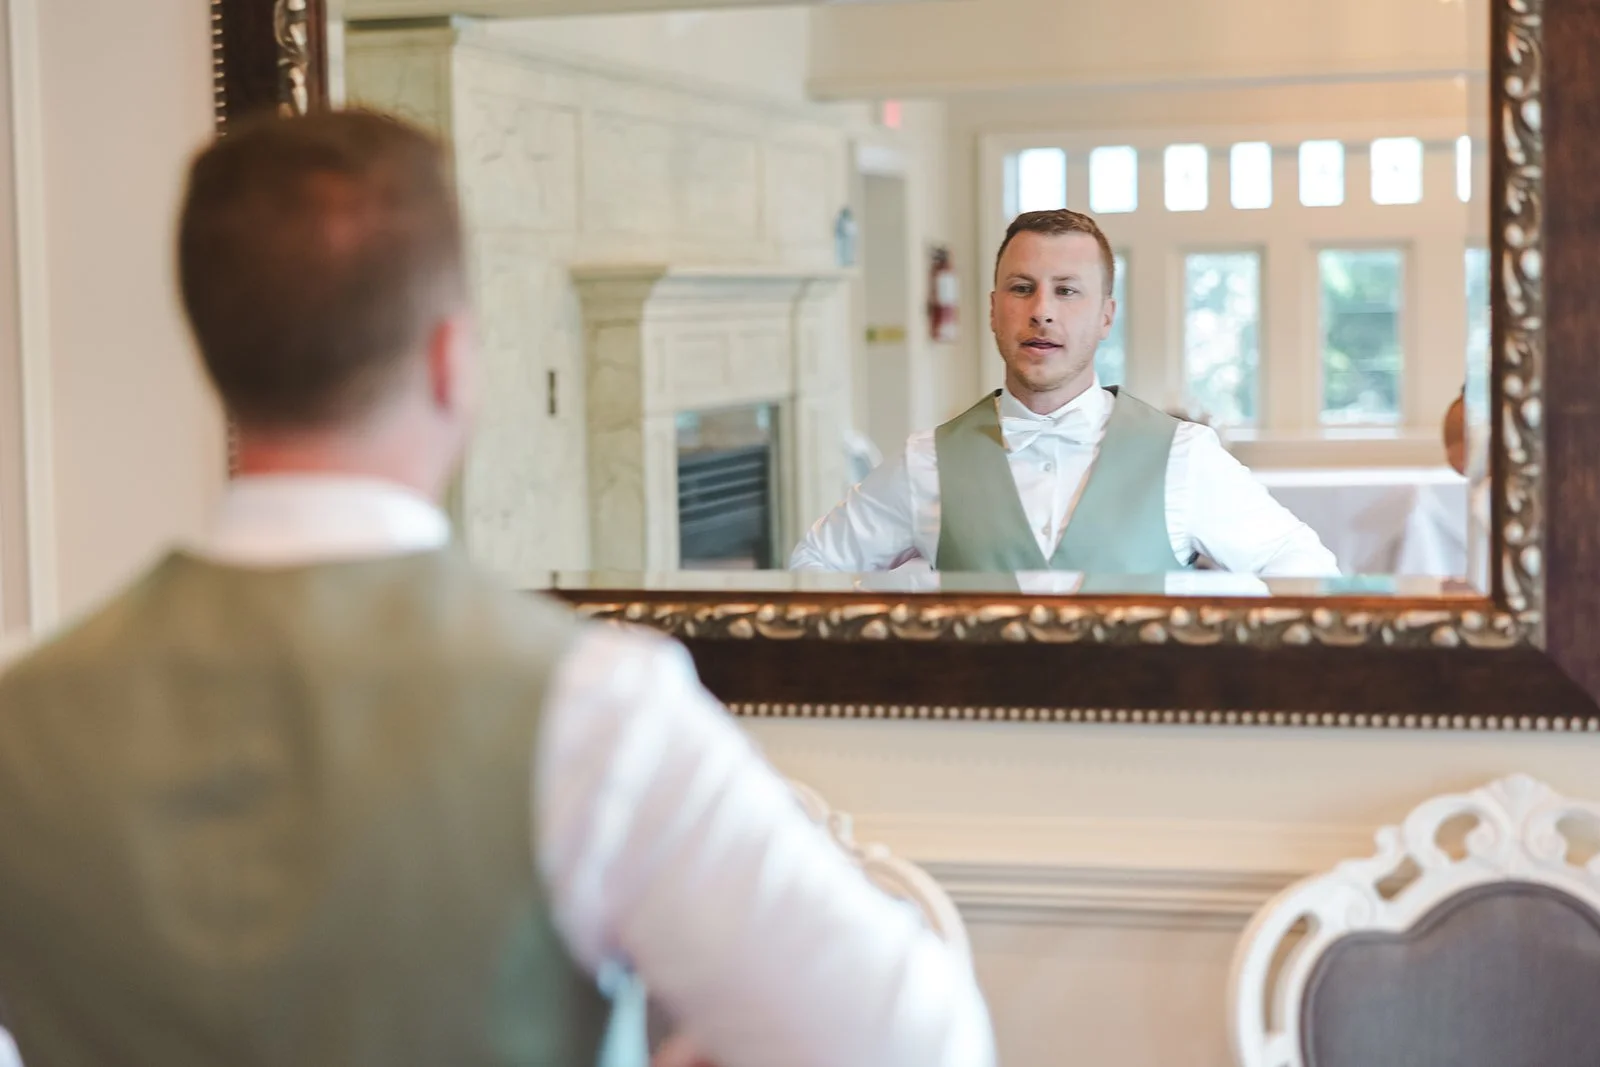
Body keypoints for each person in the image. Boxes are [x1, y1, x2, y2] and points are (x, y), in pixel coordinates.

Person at [0, 110, 993, 1067]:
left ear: (215, 354)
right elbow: (918, 1043)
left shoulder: (22, 712)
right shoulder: (595, 708)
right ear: (451, 360)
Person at [791, 209, 1338, 577]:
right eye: (1022, 288)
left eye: (1067, 291)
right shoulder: (926, 461)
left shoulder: (1183, 455)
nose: (1042, 310)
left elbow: (1306, 570)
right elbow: (812, 567)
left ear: (1105, 316)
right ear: (993, 309)